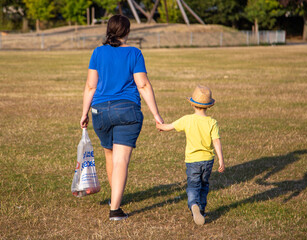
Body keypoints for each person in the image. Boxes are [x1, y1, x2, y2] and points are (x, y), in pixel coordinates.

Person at [80, 15, 163, 221]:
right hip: (127, 110)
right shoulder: (134, 53)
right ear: (127, 31)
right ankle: (115, 209)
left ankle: (113, 199)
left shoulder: (98, 52)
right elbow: (143, 85)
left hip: (99, 111)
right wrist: (156, 114)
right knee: (121, 160)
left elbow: (91, 86)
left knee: (110, 156)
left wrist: (84, 113)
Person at [156, 85, 225, 225]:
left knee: (193, 185)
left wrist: (160, 125)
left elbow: (168, 127)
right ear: (208, 106)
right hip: (208, 160)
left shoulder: (187, 119)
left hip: (192, 161)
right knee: (204, 185)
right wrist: (221, 160)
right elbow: (216, 142)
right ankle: (202, 210)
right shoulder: (212, 122)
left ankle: (193, 205)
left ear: (193, 104)